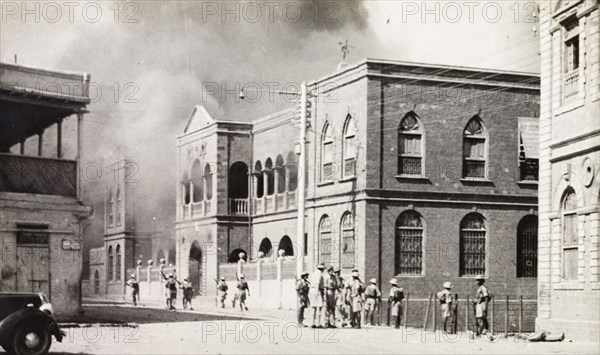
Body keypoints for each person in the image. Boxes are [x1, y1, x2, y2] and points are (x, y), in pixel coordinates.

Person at [308, 263, 325, 328]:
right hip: (317, 290)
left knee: (313, 307)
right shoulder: (319, 274)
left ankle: (312, 323)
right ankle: (318, 323)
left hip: (312, 290)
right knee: (319, 307)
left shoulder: (314, 273)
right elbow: (317, 283)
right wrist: (317, 292)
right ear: (322, 269)